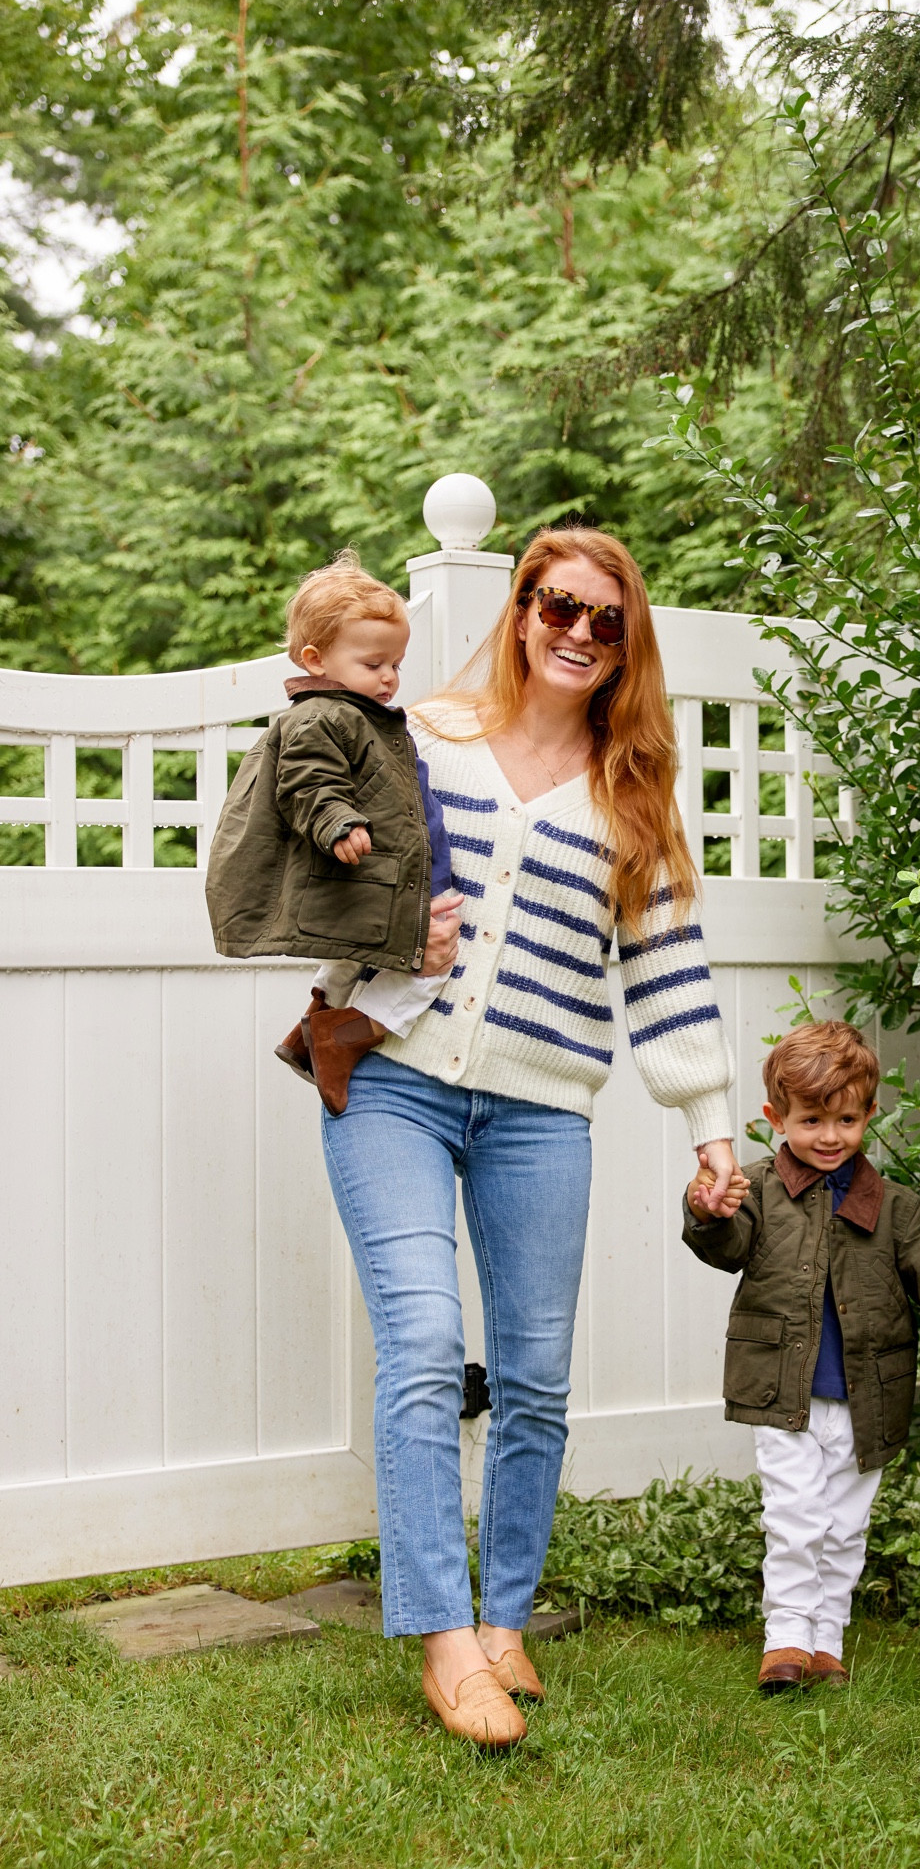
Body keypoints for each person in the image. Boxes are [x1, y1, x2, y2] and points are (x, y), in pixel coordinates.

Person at [318, 528, 739, 1748]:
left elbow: (666, 967)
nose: (579, 632)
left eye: (607, 620)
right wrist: (391, 930)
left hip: (542, 1107)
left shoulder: (632, 795)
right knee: (422, 1343)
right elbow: (313, 872)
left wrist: (709, 1124)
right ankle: (444, 1640)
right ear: (519, 609)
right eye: (560, 605)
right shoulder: (421, 737)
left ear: (626, 644)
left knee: (537, 1375)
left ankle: (505, 1621)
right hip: (391, 1079)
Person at [680, 1020, 920, 1693]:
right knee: (795, 1518)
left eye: (846, 1120)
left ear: (868, 1114)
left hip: (868, 1396)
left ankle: (826, 1640)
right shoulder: (757, 1189)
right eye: (811, 1121)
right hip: (783, 1392)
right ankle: (786, 1639)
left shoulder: (897, 1209)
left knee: (844, 1527)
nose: (829, 1136)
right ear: (775, 1118)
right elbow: (727, 1248)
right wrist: (709, 1211)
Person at [206, 551, 463, 1112]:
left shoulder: (355, 712)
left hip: (396, 869)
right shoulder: (322, 716)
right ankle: (345, 1038)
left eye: (396, 664)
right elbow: (308, 781)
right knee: (433, 964)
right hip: (395, 872)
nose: (390, 677)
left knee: (356, 951)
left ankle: (314, 1022)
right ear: (316, 659)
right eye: (374, 664)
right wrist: (337, 823)